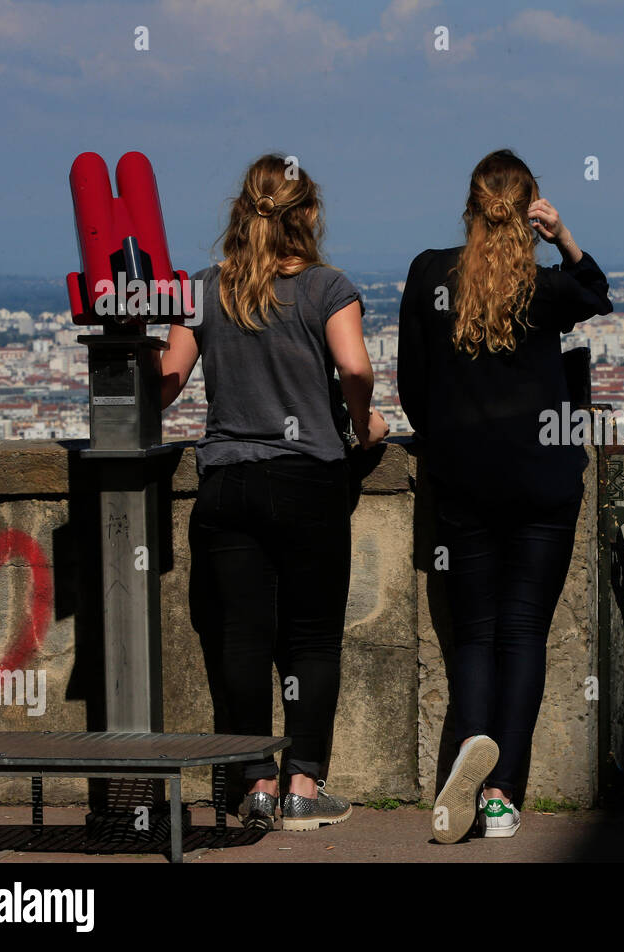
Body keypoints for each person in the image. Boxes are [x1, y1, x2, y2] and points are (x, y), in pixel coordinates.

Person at [160, 154, 388, 832]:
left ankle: (253, 779)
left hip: (228, 481)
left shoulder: (205, 290)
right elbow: (354, 364)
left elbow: (168, 378)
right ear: (308, 215)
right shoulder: (327, 287)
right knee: (313, 639)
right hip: (310, 480)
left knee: (239, 640)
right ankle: (303, 785)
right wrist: (360, 421)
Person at [398, 149, 612, 842]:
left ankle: (470, 750)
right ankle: (501, 794)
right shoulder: (546, 289)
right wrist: (565, 236)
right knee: (524, 636)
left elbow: (411, 382)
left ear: (470, 205)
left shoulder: (431, 274)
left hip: (463, 482)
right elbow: (596, 291)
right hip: (543, 484)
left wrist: (449, 444)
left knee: (474, 636)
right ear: (531, 209)